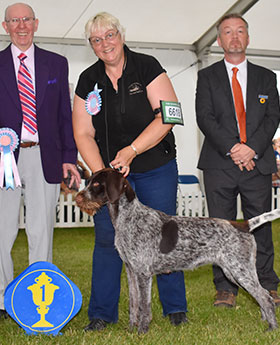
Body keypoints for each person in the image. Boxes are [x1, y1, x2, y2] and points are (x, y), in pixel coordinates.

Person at [72, 12, 187, 331]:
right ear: (91, 45)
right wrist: (102, 175)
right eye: (96, 39)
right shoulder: (87, 79)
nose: (104, 43)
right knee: (108, 238)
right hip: (110, 173)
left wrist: (133, 150)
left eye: (109, 35)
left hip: (154, 166)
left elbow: (169, 115)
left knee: (164, 235)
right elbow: (82, 133)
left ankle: (175, 308)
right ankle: (101, 313)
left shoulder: (147, 66)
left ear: (121, 35)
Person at [196, 13, 280, 308]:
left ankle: (267, 284)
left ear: (248, 37)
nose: (234, 37)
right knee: (221, 229)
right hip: (219, 164)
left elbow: (274, 117)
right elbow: (204, 117)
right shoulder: (206, 76)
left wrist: (251, 149)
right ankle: (225, 289)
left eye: (240, 31)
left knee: (260, 227)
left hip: (257, 164)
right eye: (228, 32)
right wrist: (235, 148)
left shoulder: (267, 77)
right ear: (219, 40)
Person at [0, 3, 81, 320]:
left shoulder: (56, 63)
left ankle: (38, 301)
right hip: (4, 159)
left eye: (26, 20)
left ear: (36, 24)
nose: (21, 26)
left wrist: (68, 157)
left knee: (41, 232)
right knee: (2, 232)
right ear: (5, 26)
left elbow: (65, 114)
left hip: (44, 157)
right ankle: (4, 301)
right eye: (14, 21)